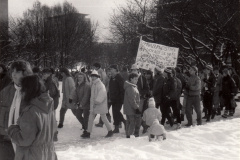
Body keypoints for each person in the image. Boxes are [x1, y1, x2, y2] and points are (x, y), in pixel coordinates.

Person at [7, 75, 57, 160]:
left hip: (31, 155)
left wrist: (12, 129)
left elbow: (24, 140)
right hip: (48, 153)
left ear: (27, 90)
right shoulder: (48, 106)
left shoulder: (30, 111)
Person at [0, 60, 33, 160]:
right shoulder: (5, 91)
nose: (14, 74)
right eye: (12, 71)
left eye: (18, 72)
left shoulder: (34, 92)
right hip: (5, 139)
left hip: (26, 141)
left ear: (26, 73)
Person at [81, 70, 113, 138]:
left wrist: (97, 101)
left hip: (99, 104)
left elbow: (102, 94)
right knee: (91, 118)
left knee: (104, 118)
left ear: (97, 77)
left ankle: (110, 131)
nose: (93, 78)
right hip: (94, 105)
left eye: (94, 76)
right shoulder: (94, 84)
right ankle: (88, 132)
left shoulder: (100, 85)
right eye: (92, 76)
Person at [109, 64, 126, 133]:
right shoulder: (112, 77)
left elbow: (122, 89)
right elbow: (110, 88)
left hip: (118, 99)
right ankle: (116, 128)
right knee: (114, 113)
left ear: (116, 70)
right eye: (110, 69)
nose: (110, 70)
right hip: (113, 98)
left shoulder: (119, 77)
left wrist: (121, 98)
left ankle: (125, 122)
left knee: (116, 111)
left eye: (112, 69)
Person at [123, 73, 141, 138]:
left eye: (137, 79)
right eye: (135, 79)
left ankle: (128, 134)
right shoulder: (131, 88)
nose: (137, 81)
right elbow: (132, 99)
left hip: (129, 108)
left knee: (129, 121)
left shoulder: (132, 86)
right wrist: (136, 108)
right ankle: (129, 135)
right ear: (131, 79)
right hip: (131, 108)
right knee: (132, 122)